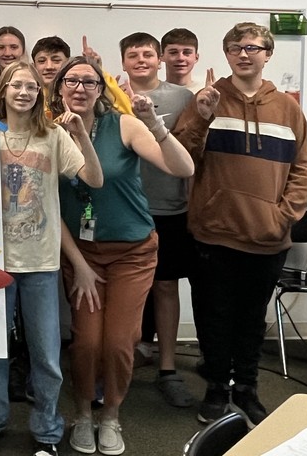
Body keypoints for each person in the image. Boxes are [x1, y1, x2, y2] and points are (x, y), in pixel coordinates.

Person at [53, 55, 193, 456]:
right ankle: (83, 413)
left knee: (118, 342)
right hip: (82, 254)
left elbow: (182, 167)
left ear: (101, 89)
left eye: (90, 82)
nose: (80, 88)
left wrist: (154, 124)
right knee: (85, 343)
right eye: (71, 81)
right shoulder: (50, 131)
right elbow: (46, 204)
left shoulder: (124, 125)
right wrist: (78, 264)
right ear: (59, 88)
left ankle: (111, 415)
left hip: (132, 252)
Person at [173, 22, 307, 426]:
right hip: (213, 234)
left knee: (252, 321)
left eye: (252, 47)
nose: (244, 54)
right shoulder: (207, 99)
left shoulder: (288, 108)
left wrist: (283, 217)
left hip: (267, 237)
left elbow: (302, 170)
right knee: (213, 318)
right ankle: (217, 388)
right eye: (235, 48)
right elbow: (180, 158)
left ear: (268, 54)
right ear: (227, 54)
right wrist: (202, 118)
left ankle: (247, 389)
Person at [0, 61, 103, 456]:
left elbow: (94, 179)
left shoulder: (54, 135)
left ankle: (47, 430)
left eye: (31, 86)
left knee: (46, 354)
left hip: (41, 262)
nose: (24, 92)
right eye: (16, 85)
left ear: (40, 93)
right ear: (3, 90)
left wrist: (81, 135)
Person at [119, 32, 195, 409]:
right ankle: (122, 362)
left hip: (169, 207)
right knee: (123, 292)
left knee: (165, 287)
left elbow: (192, 148)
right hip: (125, 208)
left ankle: (168, 369)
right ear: (123, 61)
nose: (141, 60)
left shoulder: (183, 98)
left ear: (159, 59)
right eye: (133, 55)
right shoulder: (112, 96)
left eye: (147, 54)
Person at [161, 28, 204, 93]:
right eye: (173, 52)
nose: (180, 58)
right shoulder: (151, 94)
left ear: (196, 58)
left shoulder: (206, 91)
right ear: (161, 56)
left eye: (187, 52)